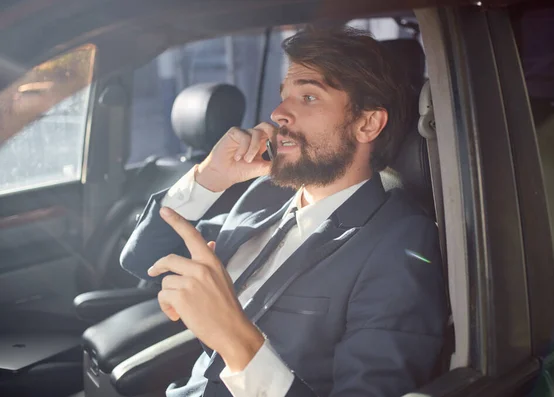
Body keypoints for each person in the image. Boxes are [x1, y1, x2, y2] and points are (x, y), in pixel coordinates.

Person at [120, 25, 447, 397]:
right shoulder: (265, 194)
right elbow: (142, 259)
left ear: (367, 123)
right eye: (283, 97)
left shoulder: (399, 242)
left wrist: (234, 337)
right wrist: (208, 180)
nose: (279, 114)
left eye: (308, 97)